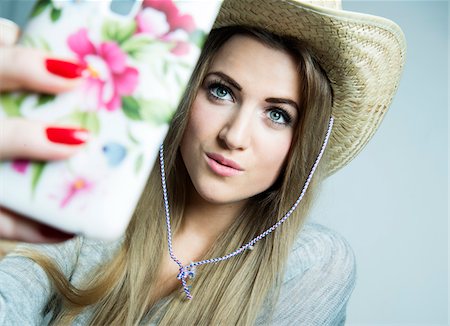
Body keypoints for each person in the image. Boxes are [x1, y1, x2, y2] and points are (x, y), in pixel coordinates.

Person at [0, 0, 406, 324]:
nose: (233, 136)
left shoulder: (314, 263)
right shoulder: (99, 190)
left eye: (277, 114)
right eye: (221, 92)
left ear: (305, 143)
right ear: (184, 91)